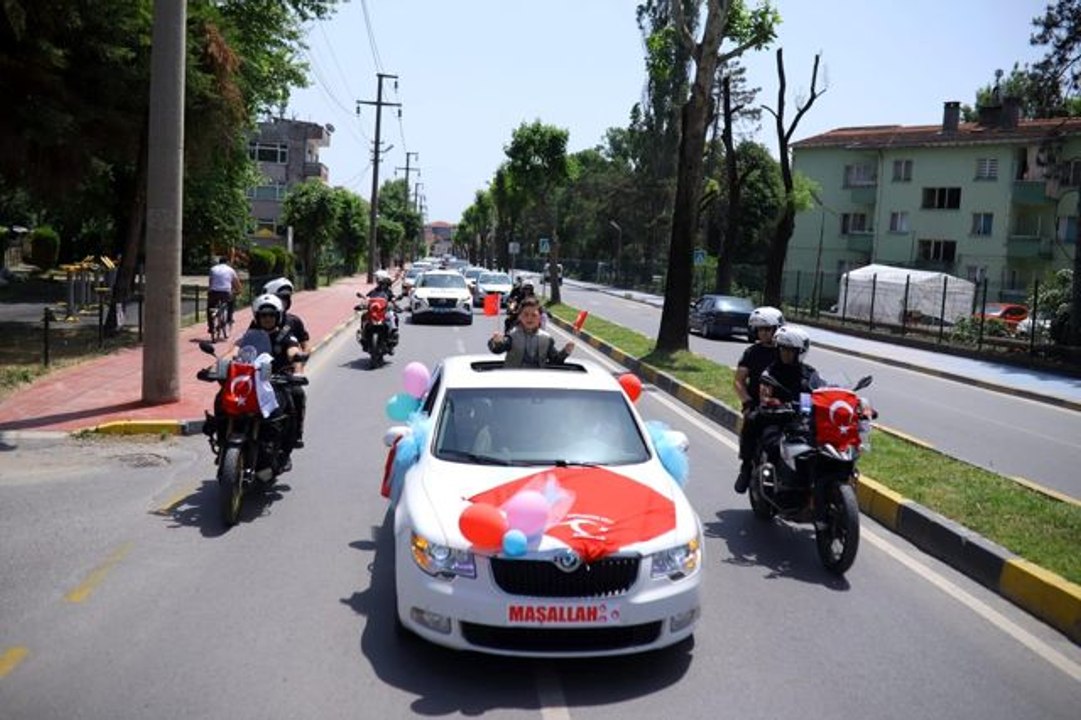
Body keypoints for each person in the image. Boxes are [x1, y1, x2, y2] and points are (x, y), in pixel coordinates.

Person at [743, 326, 823, 480]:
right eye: (782, 349)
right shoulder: (771, 372)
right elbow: (764, 396)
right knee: (753, 421)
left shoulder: (810, 373)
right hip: (776, 418)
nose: (785, 353)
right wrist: (773, 403)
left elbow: (816, 392)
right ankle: (746, 468)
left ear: (800, 352)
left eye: (790, 350)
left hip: (803, 419)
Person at [733, 306, 784, 494]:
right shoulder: (751, 353)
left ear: (777, 329)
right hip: (759, 405)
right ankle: (746, 468)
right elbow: (738, 381)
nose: (763, 333)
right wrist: (747, 402)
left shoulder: (786, 351)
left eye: (767, 329)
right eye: (760, 329)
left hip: (785, 405)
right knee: (750, 425)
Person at [262, 277, 309, 447]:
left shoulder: (293, 322)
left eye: (286, 298)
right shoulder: (258, 322)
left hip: (284, 374)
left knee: (297, 394)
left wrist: (299, 368)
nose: (267, 317)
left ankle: (295, 435)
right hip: (259, 374)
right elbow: (243, 345)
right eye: (280, 297)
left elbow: (301, 346)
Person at [488, 296, 574, 367]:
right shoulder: (512, 336)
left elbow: (555, 361)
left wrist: (565, 352)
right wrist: (496, 342)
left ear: (540, 318)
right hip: (513, 381)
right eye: (526, 314)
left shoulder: (546, 339)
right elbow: (497, 349)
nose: (529, 318)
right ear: (520, 317)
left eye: (534, 315)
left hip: (537, 382)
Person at [207, 256, 242, 337]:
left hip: (214, 292)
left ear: (219, 262)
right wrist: (239, 291)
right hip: (225, 293)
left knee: (210, 308)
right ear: (227, 262)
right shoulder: (230, 270)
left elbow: (211, 282)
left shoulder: (213, 269)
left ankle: (211, 327)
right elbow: (236, 283)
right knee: (231, 302)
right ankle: (229, 318)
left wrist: (209, 291)